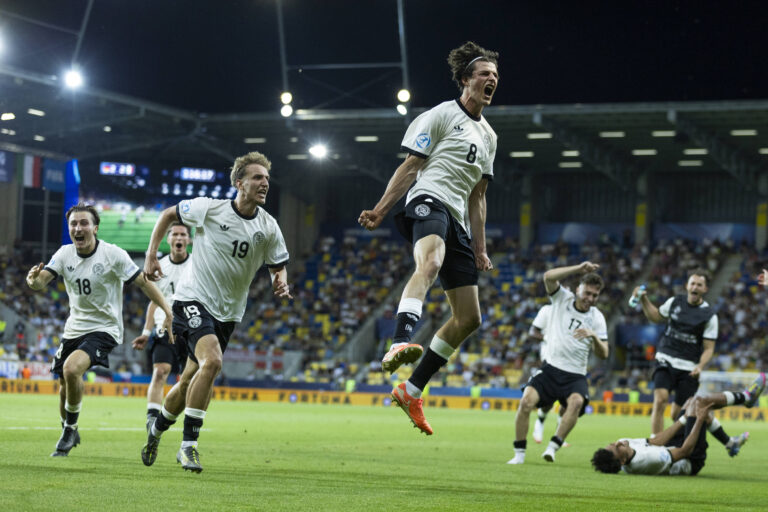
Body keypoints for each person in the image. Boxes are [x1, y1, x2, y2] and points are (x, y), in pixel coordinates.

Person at [357, 41, 499, 435]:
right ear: (465, 80)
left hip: (458, 221)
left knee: (469, 317)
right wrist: (382, 208)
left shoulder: (489, 136)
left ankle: (412, 388)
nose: (492, 80)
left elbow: (479, 197)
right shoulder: (439, 115)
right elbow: (411, 166)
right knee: (430, 263)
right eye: (485, 74)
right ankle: (399, 340)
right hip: (427, 199)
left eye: (496, 76)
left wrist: (481, 248)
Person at [140, 151, 291, 473]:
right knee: (214, 362)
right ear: (239, 183)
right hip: (192, 300)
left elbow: (278, 265)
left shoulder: (269, 226)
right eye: (257, 178)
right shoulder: (210, 208)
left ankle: (156, 430)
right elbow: (169, 214)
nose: (264, 183)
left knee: (187, 382)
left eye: (266, 178)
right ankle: (188, 447)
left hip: (228, 314)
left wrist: (281, 283)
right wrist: (151, 256)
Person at [26, 203, 173, 457]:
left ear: (95, 228)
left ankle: (69, 429)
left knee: (72, 369)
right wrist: (33, 281)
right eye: (73, 224)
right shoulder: (64, 254)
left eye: (84, 223)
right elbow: (41, 282)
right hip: (74, 328)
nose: (78, 228)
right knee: (64, 382)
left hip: (105, 328)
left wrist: (167, 310)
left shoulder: (112, 254)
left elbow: (143, 282)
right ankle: (68, 426)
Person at [508, 262, 609, 464]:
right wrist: (578, 268)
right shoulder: (562, 298)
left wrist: (594, 337)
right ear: (578, 289)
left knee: (577, 402)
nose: (590, 299)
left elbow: (604, 353)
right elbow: (548, 277)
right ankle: (519, 454)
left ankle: (553, 447)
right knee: (526, 401)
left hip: (575, 375)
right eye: (587, 293)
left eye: (594, 296)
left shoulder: (597, 318)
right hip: (551, 369)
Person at [591, 374, 765, 475]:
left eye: (614, 443)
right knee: (700, 403)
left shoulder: (625, 445)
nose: (619, 442)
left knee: (691, 402)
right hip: (691, 460)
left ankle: (730, 444)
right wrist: (697, 419)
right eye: (617, 448)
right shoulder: (647, 461)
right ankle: (746, 398)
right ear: (622, 461)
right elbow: (685, 451)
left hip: (673, 446)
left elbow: (657, 441)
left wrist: (683, 419)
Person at [632, 268, 717, 436]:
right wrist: (643, 299)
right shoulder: (675, 302)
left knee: (676, 415)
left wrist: (700, 366)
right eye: (693, 283)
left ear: (705, 289)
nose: (695, 287)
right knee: (660, 399)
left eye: (699, 285)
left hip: (688, 367)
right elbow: (655, 316)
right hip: (666, 357)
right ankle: (655, 443)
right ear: (687, 286)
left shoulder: (709, 316)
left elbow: (709, 349)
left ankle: (704, 432)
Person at [131, 222, 192, 431]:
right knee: (160, 372)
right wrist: (146, 333)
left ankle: (184, 420)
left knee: (188, 380)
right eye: (175, 234)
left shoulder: (197, 267)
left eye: (183, 234)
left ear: (189, 240)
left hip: (190, 329)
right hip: (163, 329)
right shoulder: (160, 268)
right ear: (168, 239)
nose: (179, 238)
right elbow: (153, 302)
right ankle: (151, 417)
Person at [528, 304, 566, 445]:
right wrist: (546, 337)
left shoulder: (576, 313)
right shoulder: (547, 310)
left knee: (569, 400)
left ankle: (559, 434)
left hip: (571, 361)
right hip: (550, 359)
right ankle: (540, 421)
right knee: (549, 398)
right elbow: (532, 331)